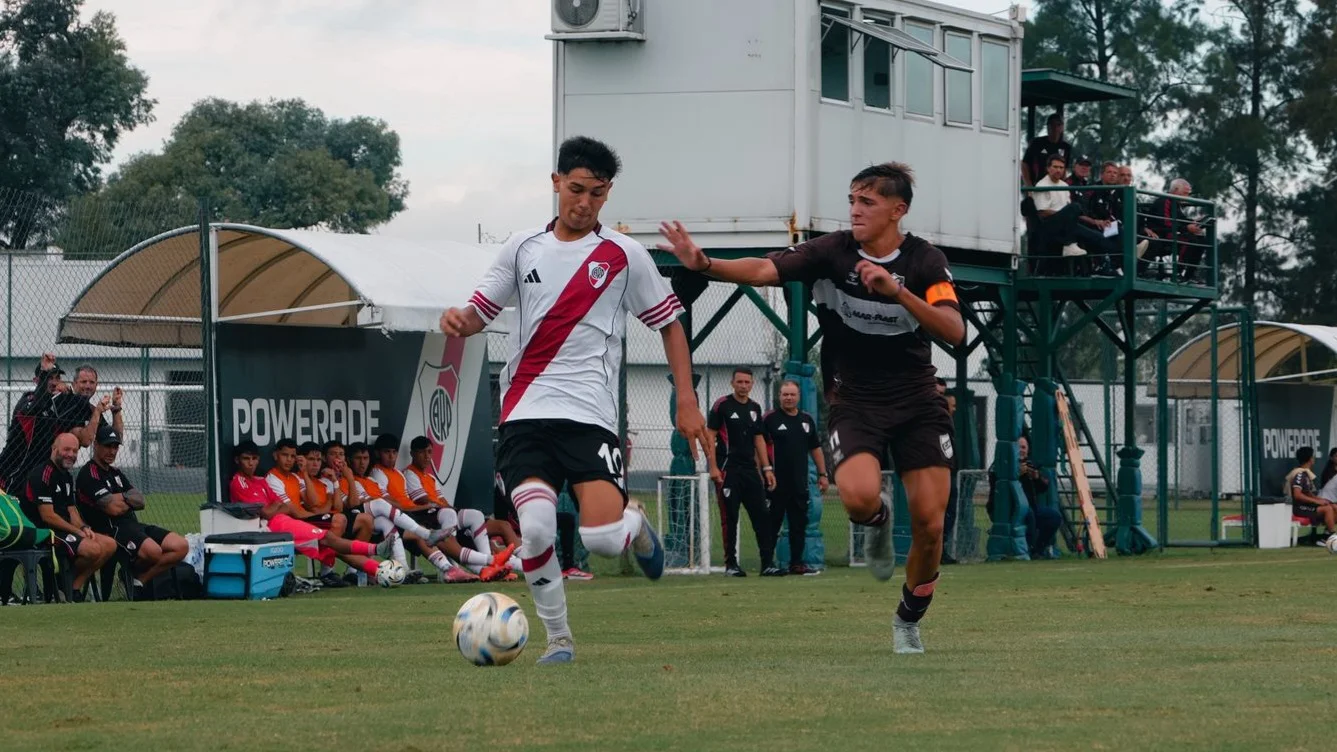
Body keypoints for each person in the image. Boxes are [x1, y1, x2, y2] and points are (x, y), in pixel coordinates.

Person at [659, 161, 964, 654]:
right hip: (856, 401)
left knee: (930, 524)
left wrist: (898, 292)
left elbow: (954, 330)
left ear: (898, 210)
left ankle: (908, 620)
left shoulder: (926, 261)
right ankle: (878, 521)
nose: (855, 210)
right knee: (860, 499)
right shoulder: (830, 251)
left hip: (918, 402)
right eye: (852, 200)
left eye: (867, 202)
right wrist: (706, 264)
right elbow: (764, 269)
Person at [439, 135, 709, 664]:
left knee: (603, 540)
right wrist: (460, 320)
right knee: (537, 527)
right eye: (577, 189)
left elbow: (670, 325)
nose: (585, 203)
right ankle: (559, 639)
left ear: (608, 195)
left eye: (597, 194)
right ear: (556, 182)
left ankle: (633, 524)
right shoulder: (521, 247)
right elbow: (479, 312)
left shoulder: (624, 255)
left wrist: (686, 400)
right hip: (524, 414)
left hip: (589, 415)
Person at [226, 440, 396, 584]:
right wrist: (278, 507)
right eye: (246, 459)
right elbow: (267, 512)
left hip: (286, 521)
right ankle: (373, 554)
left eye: (254, 459)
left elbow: (286, 505)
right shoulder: (241, 481)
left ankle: (378, 567)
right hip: (274, 526)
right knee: (332, 537)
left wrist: (281, 505)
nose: (251, 463)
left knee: (333, 542)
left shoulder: (262, 480)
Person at [75, 426, 188, 599]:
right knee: (154, 552)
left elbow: (140, 500)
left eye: (115, 447)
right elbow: (112, 509)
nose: (112, 451)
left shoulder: (116, 473)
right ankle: (130, 576)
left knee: (180, 546)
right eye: (107, 446)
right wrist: (127, 499)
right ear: (96, 445)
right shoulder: (89, 474)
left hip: (133, 525)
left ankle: (137, 580)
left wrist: (118, 498)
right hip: (112, 530)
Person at [404, 435, 516, 582]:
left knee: (475, 515)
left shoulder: (430, 477)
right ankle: (455, 567)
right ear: (412, 454)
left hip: (439, 513)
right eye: (422, 452)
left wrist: (453, 509)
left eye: (429, 452)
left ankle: (491, 566)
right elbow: (422, 499)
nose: (426, 456)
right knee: (449, 513)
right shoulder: (409, 473)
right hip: (425, 516)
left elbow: (442, 501)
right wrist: (447, 508)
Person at [19, 433, 115, 599]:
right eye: (66, 449)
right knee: (93, 550)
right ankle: (61, 584)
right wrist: (76, 531)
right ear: (54, 449)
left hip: (65, 530)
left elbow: (71, 510)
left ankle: (72, 588)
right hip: (45, 532)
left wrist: (83, 528)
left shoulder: (67, 476)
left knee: (110, 545)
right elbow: (48, 517)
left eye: (75, 451)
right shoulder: (42, 474)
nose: (71, 454)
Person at [707, 368, 775, 577]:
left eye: (747, 382)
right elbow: (710, 436)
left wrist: (767, 468)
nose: (743, 386)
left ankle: (767, 564)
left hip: (750, 470)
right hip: (728, 469)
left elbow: (759, 438)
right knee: (730, 518)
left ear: (752, 384)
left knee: (762, 515)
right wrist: (713, 467)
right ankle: (731, 565)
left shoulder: (755, 408)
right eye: (740, 382)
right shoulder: (722, 405)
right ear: (732, 383)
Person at [762, 380, 827, 576]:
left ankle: (797, 563)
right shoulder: (770, 419)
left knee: (798, 524)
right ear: (779, 396)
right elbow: (759, 446)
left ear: (798, 397)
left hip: (799, 483)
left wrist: (823, 474)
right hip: (775, 483)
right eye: (785, 394)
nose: (788, 398)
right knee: (772, 523)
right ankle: (767, 563)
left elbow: (815, 448)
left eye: (792, 394)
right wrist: (764, 470)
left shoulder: (806, 420)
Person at [986, 435, 1062, 558]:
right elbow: (995, 482)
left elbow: (1043, 488)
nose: (1021, 450)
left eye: (1023, 447)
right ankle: (1029, 549)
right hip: (1006, 509)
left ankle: (1039, 549)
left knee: (1054, 517)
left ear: (1028, 450)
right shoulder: (1001, 464)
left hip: (1029, 507)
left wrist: (1037, 477)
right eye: (1018, 447)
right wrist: (1015, 474)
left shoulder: (1030, 464)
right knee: (1029, 515)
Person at [1285, 447, 1336, 543]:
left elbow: (1308, 493)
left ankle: (1326, 536)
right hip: (1299, 508)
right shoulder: (1300, 474)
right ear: (1310, 459)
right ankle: (1330, 537)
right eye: (1313, 457)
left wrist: (1320, 500)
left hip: (1307, 506)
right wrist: (1316, 501)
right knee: (1328, 509)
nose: (1314, 459)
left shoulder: (1306, 474)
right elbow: (1297, 495)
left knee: (1334, 507)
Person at [1021, 113, 1073, 187]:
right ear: (1048, 127)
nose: (1055, 128)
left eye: (1058, 125)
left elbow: (1065, 169)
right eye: (1052, 124)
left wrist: (1062, 186)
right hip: (1037, 186)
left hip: (1056, 187)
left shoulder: (1066, 147)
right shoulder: (1037, 143)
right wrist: (1029, 187)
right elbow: (1024, 164)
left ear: (1062, 127)